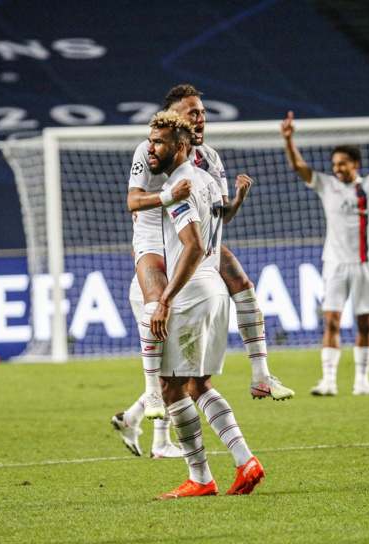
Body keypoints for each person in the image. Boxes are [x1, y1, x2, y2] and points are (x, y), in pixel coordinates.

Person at [112, 84, 294, 453]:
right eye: (191, 112)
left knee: (241, 282)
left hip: (196, 237)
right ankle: (155, 419)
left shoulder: (209, 157)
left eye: (202, 112)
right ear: (174, 119)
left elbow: (221, 212)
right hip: (153, 238)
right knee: (160, 312)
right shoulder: (149, 150)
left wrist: (238, 199)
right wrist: (167, 196)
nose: (200, 118)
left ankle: (260, 375)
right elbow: (133, 201)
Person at [145, 110, 264, 498]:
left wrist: (165, 299)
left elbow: (193, 245)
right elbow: (219, 223)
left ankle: (200, 478)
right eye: (150, 141)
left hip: (192, 293)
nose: (151, 148)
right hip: (215, 291)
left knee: (170, 388)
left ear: (180, 147)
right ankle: (245, 461)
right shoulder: (208, 181)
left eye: (159, 142)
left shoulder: (181, 183)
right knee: (198, 385)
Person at [281, 108, 369, 396]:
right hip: (334, 263)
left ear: (355, 164)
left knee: (365, 323)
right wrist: (289, 140)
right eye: (335, 164)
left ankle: (362, 382)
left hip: (364, 263)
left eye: (342, 164)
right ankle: (328, 381)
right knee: (332, 320)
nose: (337, 169)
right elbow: (299, 168)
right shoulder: (327, 185)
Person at [110, 272, 184, 459]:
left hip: (151, 287)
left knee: (177, 369)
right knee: (177, 369)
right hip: (156, 291)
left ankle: (133, 418)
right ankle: (160, 443)